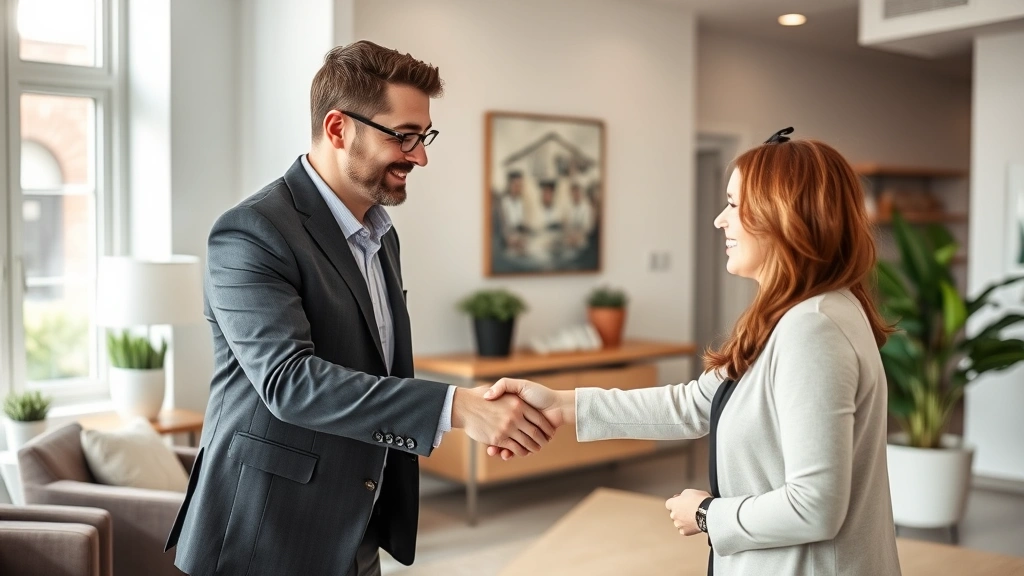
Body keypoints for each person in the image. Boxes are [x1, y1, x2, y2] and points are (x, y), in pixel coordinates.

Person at [164, 41, 554, 576]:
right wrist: (457, 407)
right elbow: (289, 383)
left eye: (424, 136)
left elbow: (373, 365)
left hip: (353, 527)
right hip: (262, 536)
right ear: (338, 128)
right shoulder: (251, 231)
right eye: (405, 136)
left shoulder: (381, 237)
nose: (420, 156)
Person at [485, 129, 902, 575]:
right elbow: (696, 404)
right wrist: (562, 405)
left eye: (734, 205)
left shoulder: (812, 328)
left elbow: (814, 506)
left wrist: (707, 514)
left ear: (785, 215)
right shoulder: (792, 315)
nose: (720, 220)